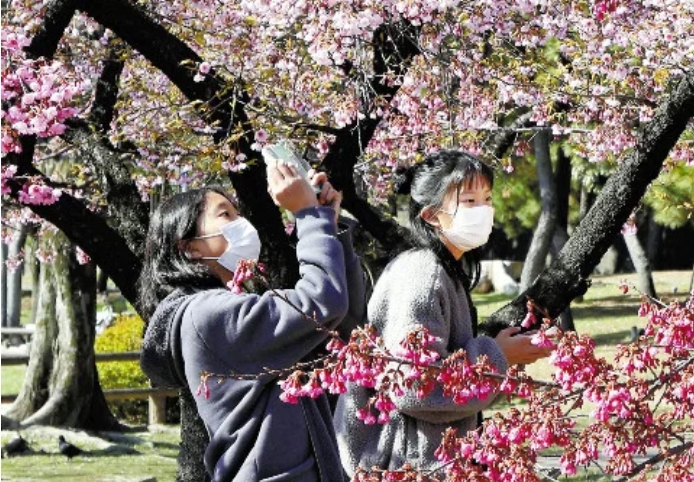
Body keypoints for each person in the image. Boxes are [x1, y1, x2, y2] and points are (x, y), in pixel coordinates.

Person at [139, 153, 368, 482]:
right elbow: (321, 302)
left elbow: (342, 328)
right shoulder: (206, 316)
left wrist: (327, 228)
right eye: (225, 215)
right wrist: (306, 214)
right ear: (191, 248)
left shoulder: (232, 306)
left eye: (238, 213)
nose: (240, 223)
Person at [336, 150, 551, 474]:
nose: (485, 210)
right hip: (407, 463)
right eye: (469, 202)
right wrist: (498, 355)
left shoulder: (443, 270)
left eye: (487, 198)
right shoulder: (423, 274)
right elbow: (413, 386)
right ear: (432, 216)